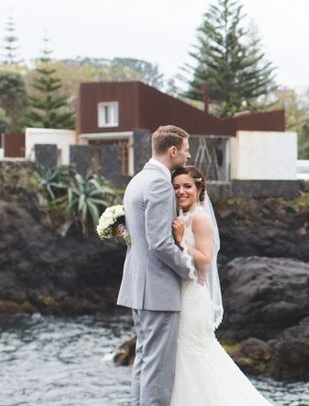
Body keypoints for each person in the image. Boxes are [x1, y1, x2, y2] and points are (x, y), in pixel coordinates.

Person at [168, 165, 273, 406]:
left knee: (193, 358)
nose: (181, 191)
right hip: (183, 294)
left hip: (193, 298)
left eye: (187, 186)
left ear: (199, 189)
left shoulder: (201, 218)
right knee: (186, 361)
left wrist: (181, 241)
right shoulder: (182, 217)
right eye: (176, 187)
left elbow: (205, 260)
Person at [117, 125, 196, 406]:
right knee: (159, 369)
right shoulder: (160, 183)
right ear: (173, 150)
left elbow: (137, 237)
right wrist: (189, 268)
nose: (188, 155)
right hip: (158, 290)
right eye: (186, 149)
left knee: (144, 360)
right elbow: (160, 243)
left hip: (139, 286)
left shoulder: (137, 180)